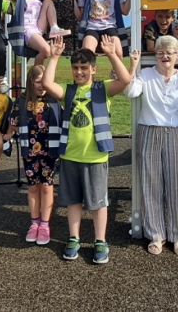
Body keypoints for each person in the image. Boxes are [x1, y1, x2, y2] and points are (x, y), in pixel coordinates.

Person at [42, 35, 131, 264]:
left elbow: (125, 79)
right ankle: (74, 238)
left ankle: (100, 240)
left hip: (95, 156)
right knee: (73, 201)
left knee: (98, 202)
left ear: (93, 69)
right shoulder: (69, 91)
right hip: (70, 155)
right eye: (75, 68)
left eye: (84, 68)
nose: (79, 72)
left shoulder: (103, 89)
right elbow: (47, 84)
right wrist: (53, 58)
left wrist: (111, 54)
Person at [125, 37, 178, 256]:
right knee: (150, 184)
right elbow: (131, 92)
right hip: (149, 130)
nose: (165, 56)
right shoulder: (145, 74)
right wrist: (133, 66)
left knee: (174, 185)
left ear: (177, 55)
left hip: (175, 132)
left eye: (170, 52)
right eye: (161, 52)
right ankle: (155, 235)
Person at [6, 65, 62, 245]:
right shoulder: (20, 101)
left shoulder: (54, 99)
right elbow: (13, 123)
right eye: (38, 81)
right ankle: (34, 223)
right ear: (30, 81)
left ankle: (44, 225)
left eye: (44, 81)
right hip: (29, 151)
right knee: (32, 187)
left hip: (50, 150)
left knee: (47, 187)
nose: (41, 85)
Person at [69, 0, 130, 78]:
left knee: (118, 51)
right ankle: (90, 76)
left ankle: (115, 73)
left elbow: (125, 11)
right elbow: (79, 16)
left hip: (109, 26)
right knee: (86, 50)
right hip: (92, 27)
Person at [4, 0, 73, 65]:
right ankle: (36, 75)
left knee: (48, 1)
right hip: (27, 30)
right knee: (46, 51)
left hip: (39, 27)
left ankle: (54, 28)